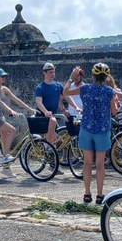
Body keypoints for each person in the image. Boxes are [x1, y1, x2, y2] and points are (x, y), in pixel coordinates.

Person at [65, 63, 117, 204]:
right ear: (106, 77)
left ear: (93, 76)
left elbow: (66, 93)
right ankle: (100, 195)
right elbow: (114, 112)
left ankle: (87, 193)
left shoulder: (85, 89)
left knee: (87, 164)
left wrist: (71, 78)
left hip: (86, 129)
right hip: (102, 130)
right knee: (100, 164)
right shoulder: (109, 91)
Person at [0, 68, 35, 178]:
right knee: (12, 130)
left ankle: (6, 169)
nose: (4, 78)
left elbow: (15, 99)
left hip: (0, 116)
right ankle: (6, 157)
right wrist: (10, 111)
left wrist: (29, 108)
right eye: (2, 76)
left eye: (4, 76)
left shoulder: (4, 89)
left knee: (4, 140)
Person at [34, 62, 65, 145]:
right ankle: (48, 146)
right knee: (53, 121)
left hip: (53, 114)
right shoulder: (40, 88)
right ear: (44, 73)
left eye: (53, 72)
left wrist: (66, 109)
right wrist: (45, 111)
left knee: (59, 141)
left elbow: (65, 97)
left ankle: (53, 152)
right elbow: (39, 102)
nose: (53, 74)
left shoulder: (58, 86)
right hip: (43, 115)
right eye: (50, 72)